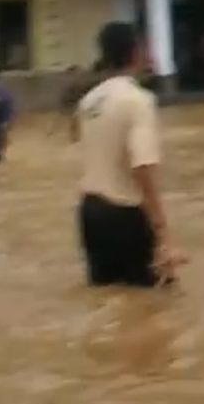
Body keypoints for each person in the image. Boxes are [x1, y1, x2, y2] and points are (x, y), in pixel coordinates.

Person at [77, 22, 183, 288]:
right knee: (157, 298)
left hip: (90, 213)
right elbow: (142, 167)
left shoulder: (89, 101)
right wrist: (163, 233)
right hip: (125, 214)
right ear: (136, 52)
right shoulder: (139, 100)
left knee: (106, 295)